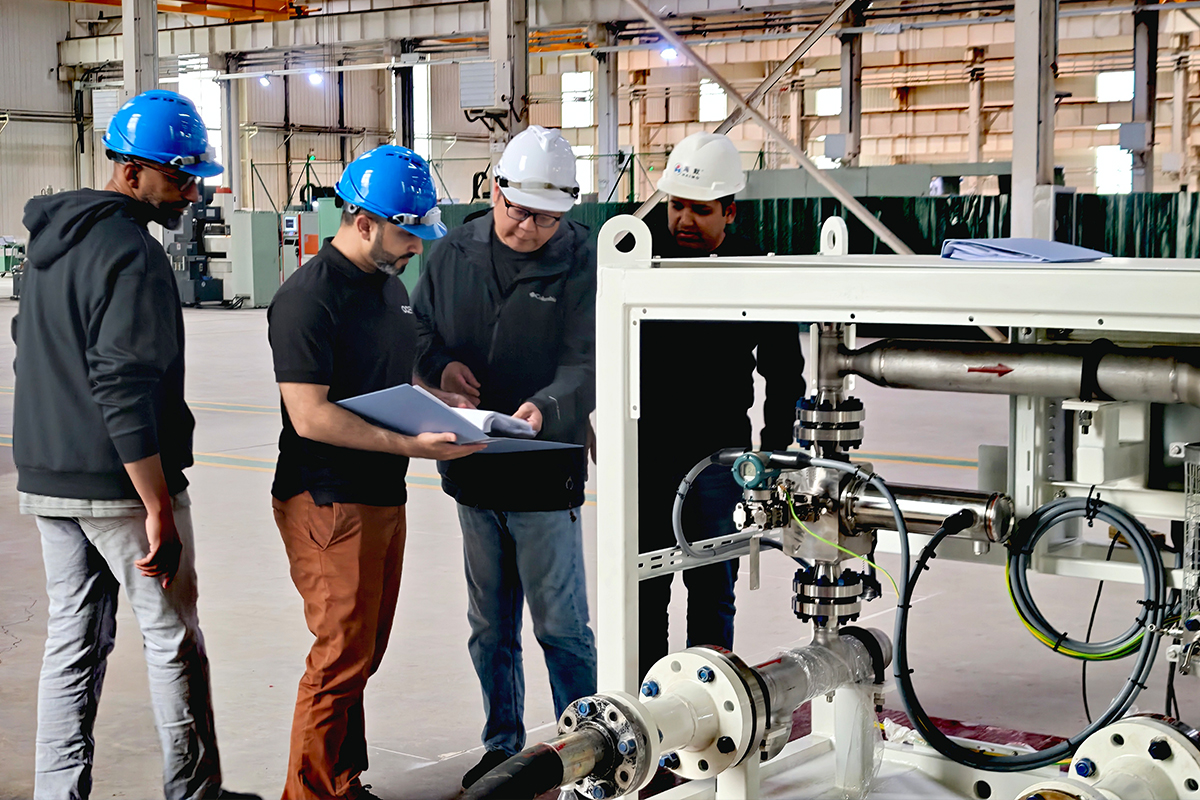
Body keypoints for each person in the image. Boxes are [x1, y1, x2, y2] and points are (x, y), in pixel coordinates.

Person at [13, 90, 258, 800]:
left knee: (72, 641)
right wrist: (155, 504)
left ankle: (58, 793)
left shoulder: (49, 248)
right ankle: (193, 792)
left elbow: (29, 349)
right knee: (171, 636)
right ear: (130, 173)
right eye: (179, 179)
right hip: (120, 482)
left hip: (49, 476)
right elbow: (122, 383)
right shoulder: (133, 254)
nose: (192, 194)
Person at [268, 145, 484, 800]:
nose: (417, 247)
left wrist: (439, 400)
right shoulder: (307, 299)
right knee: (339, 656)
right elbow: (310, 416)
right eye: (407, 234)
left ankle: (341, 780)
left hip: (381, 493)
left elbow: (388, 375)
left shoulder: (389, 287)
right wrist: (411, 445)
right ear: (363, 222)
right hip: (328, 498)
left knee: (362, 653)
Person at [411, 125, 598, 789]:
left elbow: (590, 358)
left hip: (545, 471)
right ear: (495, 191)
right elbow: (418, 330)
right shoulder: (452, 253)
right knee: (489, 625)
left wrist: (547, 405)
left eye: (548, 218)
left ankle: (588, 748)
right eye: (520, 212)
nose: (530, 228)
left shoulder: (581, 259)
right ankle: (502, 743)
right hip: (473, 468)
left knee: (561, 627)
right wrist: (441, 367)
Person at [637, 132, 807, 680]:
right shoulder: (640, 258)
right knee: (644, 590)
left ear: (729, 212)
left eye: (701, 209)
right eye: (676, 206)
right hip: (645, 456)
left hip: (719, 461)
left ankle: (705, 700)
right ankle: (648, 703)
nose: (684, 220)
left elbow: (784, 371)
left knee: (712, 589)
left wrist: (773, 455)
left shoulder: (753, 271)